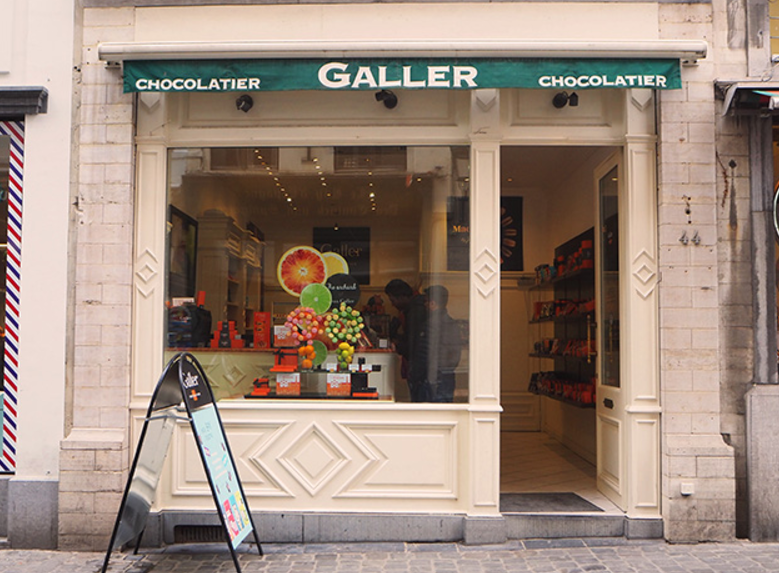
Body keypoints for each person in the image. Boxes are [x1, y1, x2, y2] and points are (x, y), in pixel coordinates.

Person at [384, 279, 429, 402]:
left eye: (393, 300)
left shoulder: (415, 313)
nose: (393, 304)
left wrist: (399, 345)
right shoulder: (415, 310)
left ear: (402, 297)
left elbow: (414, 343)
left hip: (419, 369)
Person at [423, 285, 462, 403]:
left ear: (432, 303)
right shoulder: (451, 324)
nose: (424, 305)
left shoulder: (431, 324)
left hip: (435, 376)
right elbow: (454, 354)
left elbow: (429, 352)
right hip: (446, 375)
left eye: (426, 302)